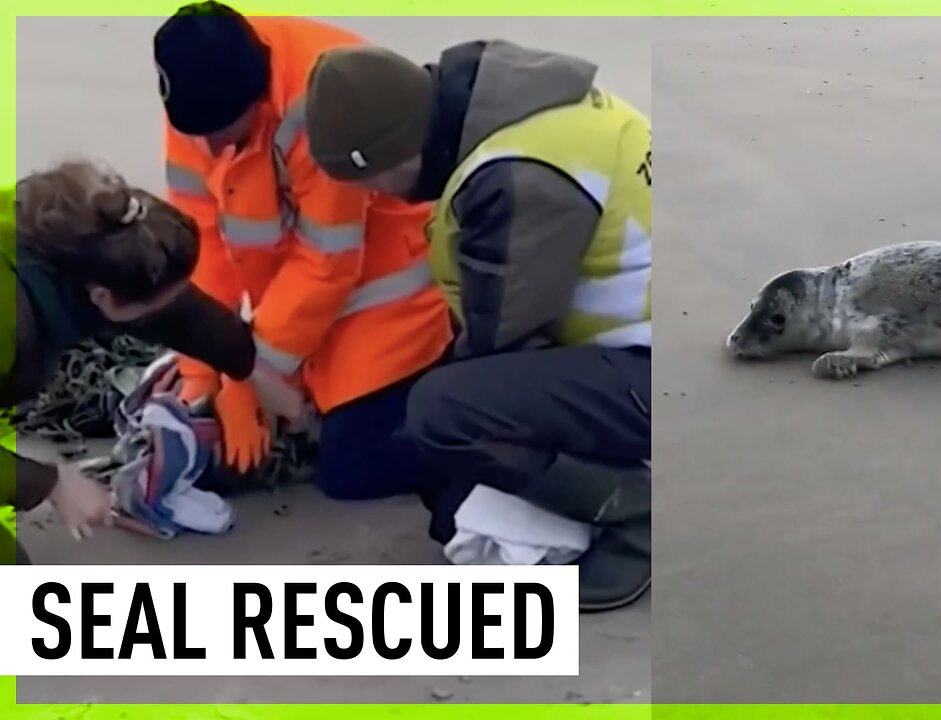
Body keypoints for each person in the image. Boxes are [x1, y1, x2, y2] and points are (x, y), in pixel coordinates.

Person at [303, 40, 652, 611]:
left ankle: (635, 511)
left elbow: (506, 339)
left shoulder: (515, 175)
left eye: (369, 182)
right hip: (628, 354)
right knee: (446, 473)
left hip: (645, 375)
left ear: (399, 152)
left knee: (442, 415)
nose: (370, 198)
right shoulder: (524, 117)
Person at [153, 4, 454, 493]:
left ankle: (491, 433)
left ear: (254, 102)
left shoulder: (325, 105)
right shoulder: (197, 96)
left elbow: (328, 260)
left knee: (351, 466)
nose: (207, 149)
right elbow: (199, 242)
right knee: (240, 429)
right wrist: (203, 373)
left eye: (222, 136)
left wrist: (248, 371)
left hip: (381, 286)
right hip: (294, 303)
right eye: (196, 135)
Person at [0, 158, 297, 564]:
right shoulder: (10, 314)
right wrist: (49, 482)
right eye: (149, 312)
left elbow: (178, 312)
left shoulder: (81, 242)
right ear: (102, 298)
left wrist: (249, 367)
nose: (158, 319)